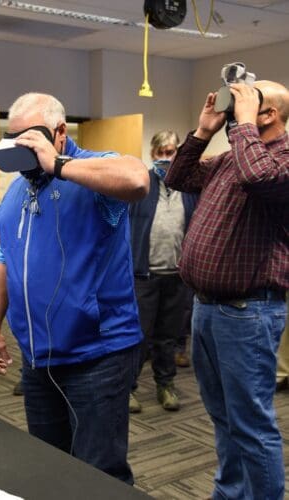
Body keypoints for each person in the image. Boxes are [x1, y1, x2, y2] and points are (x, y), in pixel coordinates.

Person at [0, 92, 149, 484]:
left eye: (30, 138)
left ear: (59, 133)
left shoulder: (92, 170)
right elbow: (6, 259)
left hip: (96, 355)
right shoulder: (17, 190)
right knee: (49, 467)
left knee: (98, 475)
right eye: (13, 138)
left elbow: (137, 180)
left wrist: (58, 165)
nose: (20, 148)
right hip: (38, 360)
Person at [165, 80, 288, 499]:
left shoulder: (280, 159)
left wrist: (243, 125)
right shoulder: (231, 158)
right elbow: (179, 177)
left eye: (243, 102)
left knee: (252, 426)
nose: (232, 108)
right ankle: (230, 494)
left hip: (248, 313)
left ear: (267, 114)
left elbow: (262, 178)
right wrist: (203, 132)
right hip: (206, 308)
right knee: (223, 418)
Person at [129, 131, 197, 413]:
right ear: (152, 154)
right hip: (144, 274)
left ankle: (165, 385)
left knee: (168, 337)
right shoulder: (139, 185)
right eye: (161, 153)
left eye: (171, 153)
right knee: (139, 336)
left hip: (177, 276)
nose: (166, 158)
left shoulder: (189, 188)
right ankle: (129, 388)